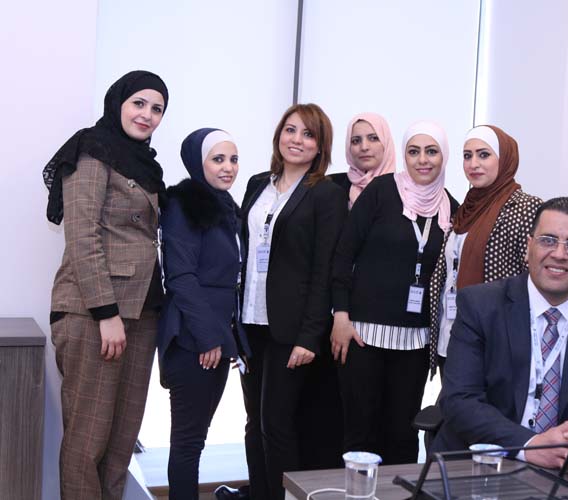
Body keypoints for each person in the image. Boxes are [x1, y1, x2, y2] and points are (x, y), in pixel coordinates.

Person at [431, 197, 568, 470]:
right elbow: (460, 401)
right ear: (528, 248)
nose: (560, 254)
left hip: (567, 472)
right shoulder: (480, 306)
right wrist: (531, 446)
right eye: (548, 240)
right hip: (479, 464)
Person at [43, 70, 169, 499]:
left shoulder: (147, 165)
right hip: (94, 314)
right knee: (88, 442)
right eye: (139, 103)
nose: (147, 115)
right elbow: (82, 235)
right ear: (118, 103)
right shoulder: (92, 149)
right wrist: (105, 312)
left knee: (120, 445)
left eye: (157, 108)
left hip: (143, 313)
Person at [233, 103, 347, 500]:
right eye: (290, 130)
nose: (296, 140)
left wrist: (310, 336)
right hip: (249, 322)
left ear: (320, 146)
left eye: (308, 134)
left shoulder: (326, 194)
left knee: (276, 425)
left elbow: (323, 270)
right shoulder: (256, 184)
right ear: (279, 135)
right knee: (252, 423)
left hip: (290, 329)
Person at [331, 121, 458, 465]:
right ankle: (357, 490)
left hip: (415, 341)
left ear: (443, 156)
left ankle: (398, 490)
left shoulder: (451, 207)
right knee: (359, 431)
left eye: (431, 151)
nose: (422, 160)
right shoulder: (382, 191)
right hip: (362, 335)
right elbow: (343, 255)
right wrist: (340, 315)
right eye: (413, 152)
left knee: (402, 434)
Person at [158, 129, 248, 499]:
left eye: (234, 159)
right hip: (193, 339)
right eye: (218, 159)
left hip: (217, 337)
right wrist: (208, 337)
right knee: (188, 442)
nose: (228, 167)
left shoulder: (226, 206)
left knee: (195, 439)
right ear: (198, 162)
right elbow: (180, 277)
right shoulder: (184, 205)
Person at [428, 125, 542, 377]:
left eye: (484, 154)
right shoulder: (465, 209)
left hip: (495, 342)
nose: (473, 164)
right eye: (467, 156)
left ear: (504, 159)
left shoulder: (526, 208)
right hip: (451, 335)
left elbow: (535, 279)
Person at [329, 112, 396, 207]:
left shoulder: (404, 191)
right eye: (356, 141)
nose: (364, 147)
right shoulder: (331, 186)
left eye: (373, 138)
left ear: (386, 143)